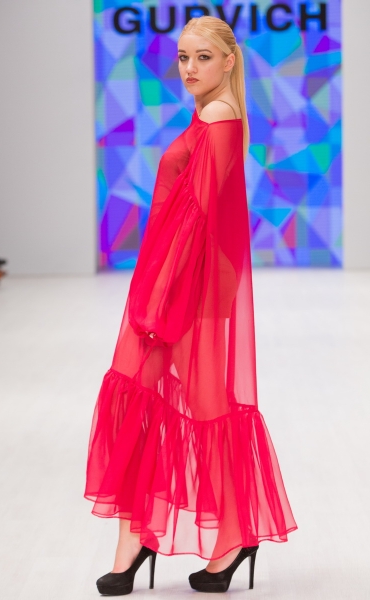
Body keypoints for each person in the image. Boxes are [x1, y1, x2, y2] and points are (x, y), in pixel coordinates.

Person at [84, 15, 298, 595]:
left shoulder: (220, 116)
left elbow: (199, 217)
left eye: (202, 57)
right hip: (185, 278)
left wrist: (160, 298)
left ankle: (213, 537)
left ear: (229, 61)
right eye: (183, 57)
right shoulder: (208, 114)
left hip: (190, 284)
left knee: (193, 406)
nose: (189, 68)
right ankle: (146, 538)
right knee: (162, 401)